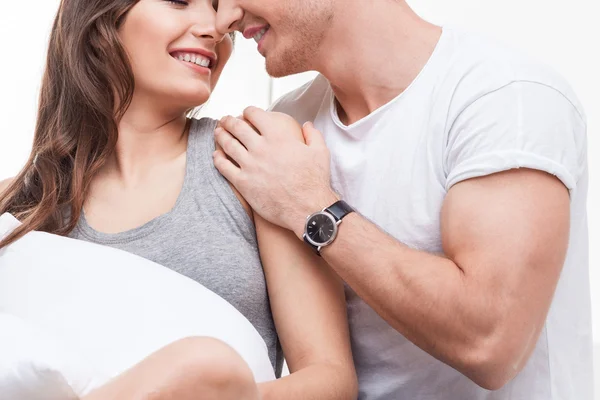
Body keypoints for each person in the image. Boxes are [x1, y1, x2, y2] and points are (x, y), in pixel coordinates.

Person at [211, 0, 593, 399]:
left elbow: (489, 343)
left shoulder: (506, 97)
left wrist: (311, 207)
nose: (223, 20)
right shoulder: (289, 122)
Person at [0, 0, 358, 399]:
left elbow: (331, 380)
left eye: (217, 7)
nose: (214, 28)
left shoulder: (255, 158)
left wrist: (216, 389)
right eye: (179, 2)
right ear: (99, 21)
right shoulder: (17, 209)